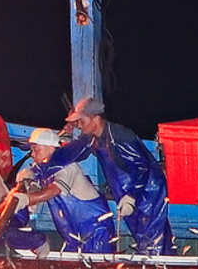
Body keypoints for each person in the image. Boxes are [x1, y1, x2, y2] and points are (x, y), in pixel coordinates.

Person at [58, 97, 174, 256]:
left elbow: (141, 167)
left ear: (96, 118)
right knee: (143, 237)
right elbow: (72, 154)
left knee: (152, 240)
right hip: (128, 193)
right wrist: (62, 139)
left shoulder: (120, 136)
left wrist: (132, 196)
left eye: (81, 121)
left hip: (149, 192)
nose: (79, 125)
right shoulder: (93, 138)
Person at [16, 127, 113, 254]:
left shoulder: (67, 167)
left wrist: (27, 199)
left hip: (96, 233)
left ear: (51, 148)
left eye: (36, 149)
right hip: (73, 238)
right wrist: (26, 182)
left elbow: (54, 190)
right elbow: (34, 204)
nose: (32, 154)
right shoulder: (45, 173)